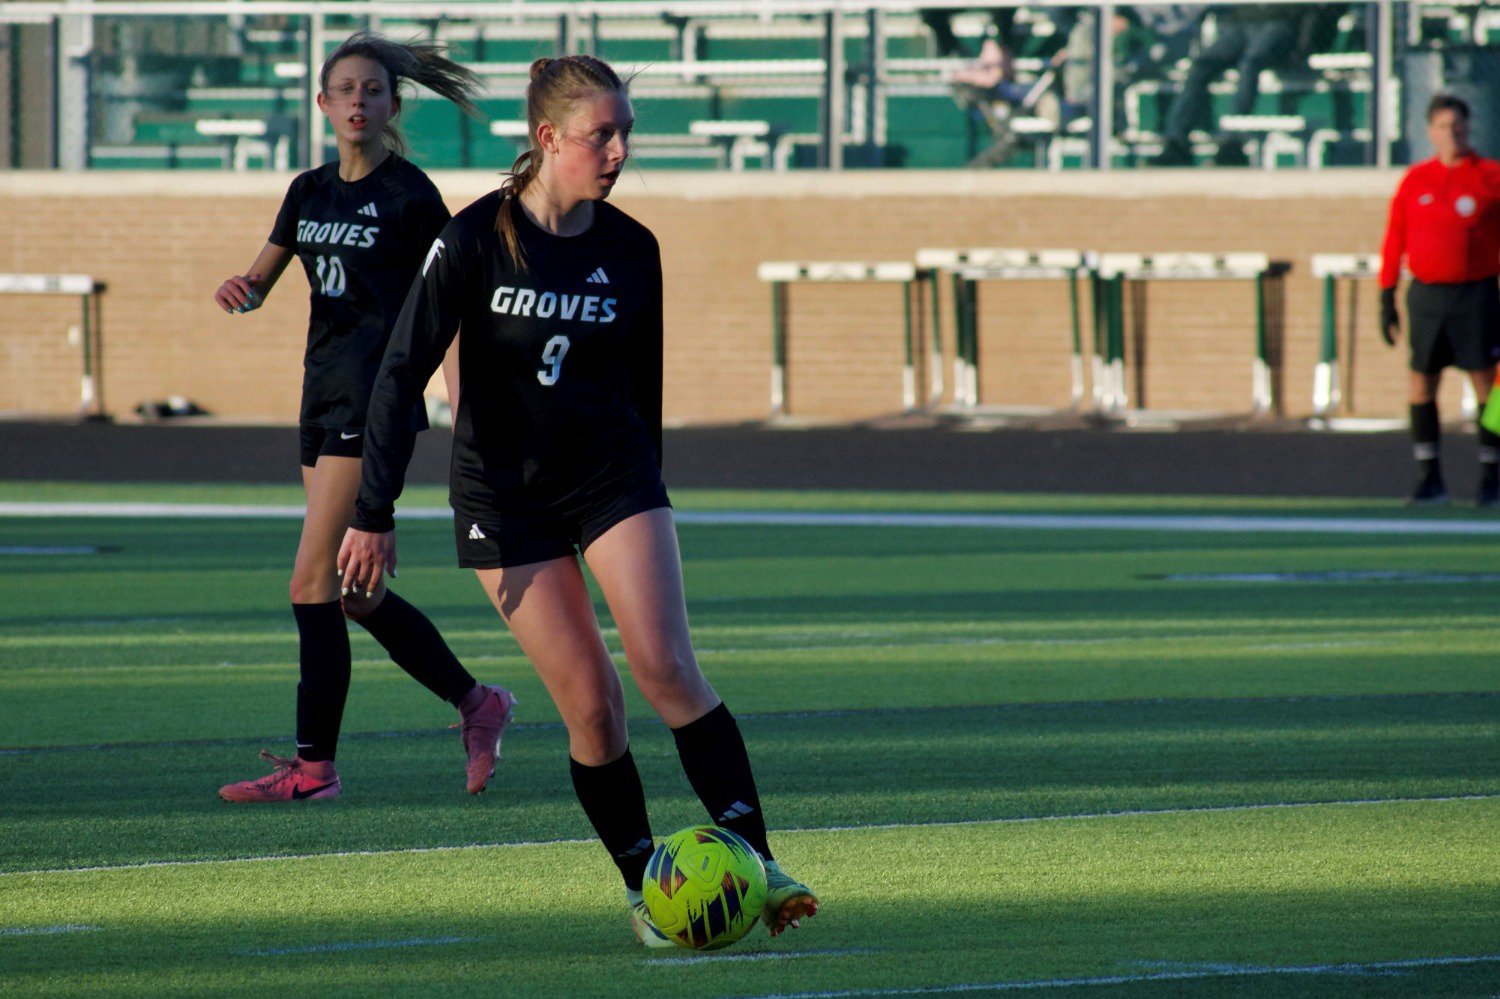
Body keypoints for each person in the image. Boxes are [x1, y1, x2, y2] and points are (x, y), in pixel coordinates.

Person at [336, 54, 820, 946]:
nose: (620, 150)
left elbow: (644, 387)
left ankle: (759, 862)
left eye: (627, 132)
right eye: (603, 134)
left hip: (611, 479)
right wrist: (373, 511)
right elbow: (401, 375)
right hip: (504, 500)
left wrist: (649, 496)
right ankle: (646, 888)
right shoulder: (474, 239)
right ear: (549, 138)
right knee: (594, 710)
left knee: (667, 667)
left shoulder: (633, 248)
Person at [211, 32, 516, 802]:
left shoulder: (411, 197)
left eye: (373, 90)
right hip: (319, 395)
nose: (358, 101)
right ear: (322, 103)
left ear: (392, 106)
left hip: (376, 401)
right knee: (355, 594)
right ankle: (478, 703)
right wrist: (242, 289)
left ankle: (315, 769)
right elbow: (263, 277)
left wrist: (463, 407)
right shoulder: (308, 190)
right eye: (345, 89)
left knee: (310, 582)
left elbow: (453, 306)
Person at [1379, 93, 1500, 506]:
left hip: (1476, 293)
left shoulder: (1490, 177)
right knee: (1422, 382)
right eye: (1444, 126)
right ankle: (1429, 478)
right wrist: (1386, 295)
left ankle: (1492, 477)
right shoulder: (1417, 180)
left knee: (1488, 383)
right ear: (1431, 131)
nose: (1453, 133)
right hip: (1428, 296)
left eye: (1458, 124)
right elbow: (1395, 238)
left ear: (1469, 128)